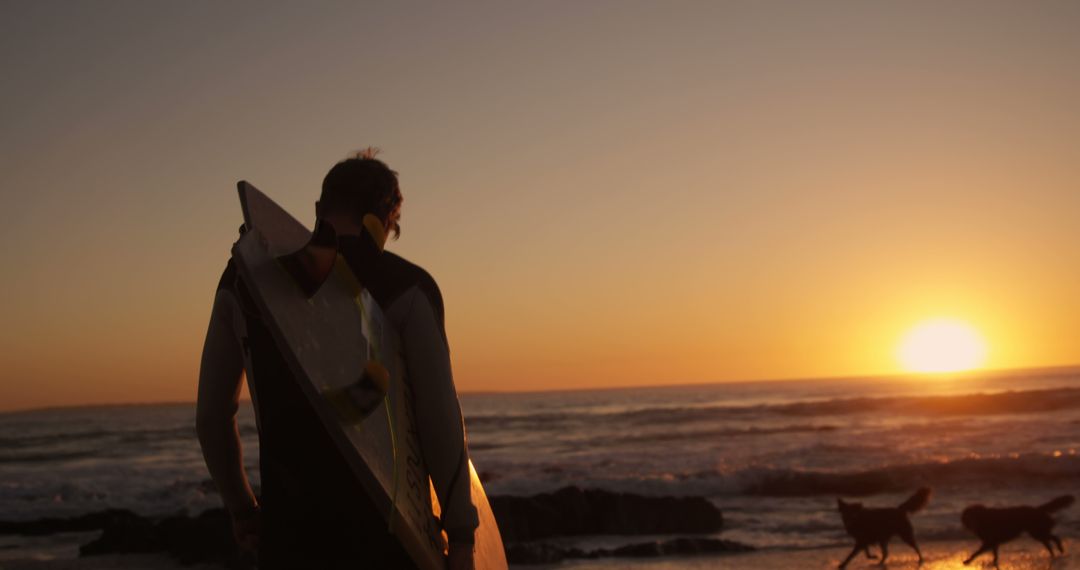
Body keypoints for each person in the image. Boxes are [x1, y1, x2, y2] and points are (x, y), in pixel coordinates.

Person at [197, 150, 478, 569]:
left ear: (318, 210)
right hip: (386, 548)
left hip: (288, 544)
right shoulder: (407, 288)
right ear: (385, 221)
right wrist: (461, 539)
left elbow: (211, 418)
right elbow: (438, 417)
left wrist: (242, 509)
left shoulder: (243, 282)